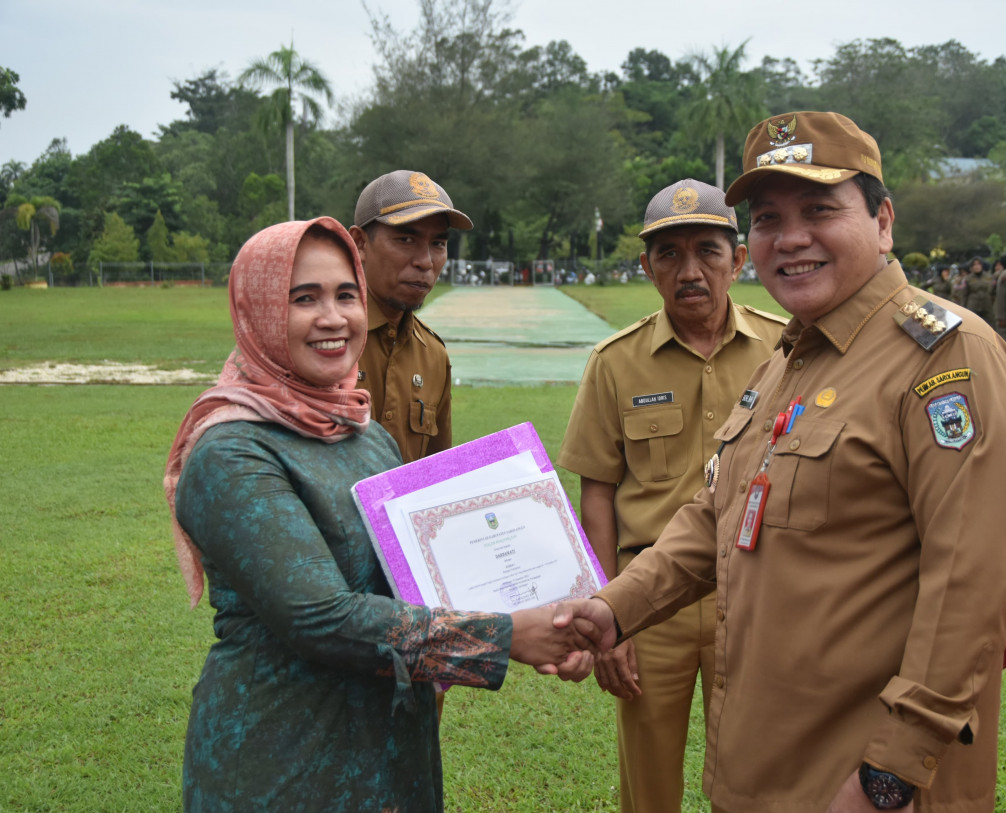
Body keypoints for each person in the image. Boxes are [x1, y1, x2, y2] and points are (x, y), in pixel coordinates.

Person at [564, 111, 1006, 812]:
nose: (790, 238)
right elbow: (714, 516)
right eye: (767, 217)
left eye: (819, 209)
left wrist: (890, 775)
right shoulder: (791, 356)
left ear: (883, 221)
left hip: (861, 781)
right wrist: (611, 610)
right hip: (766, 770)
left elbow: (973, 587)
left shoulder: (946, 357)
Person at [164, 218, 594, 812]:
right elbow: (320, 617)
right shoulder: (230, 451)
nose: (333, 317)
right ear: (257, 309)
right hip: (283, 757)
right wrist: (505, 636)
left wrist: (547, 604)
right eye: (303, 298)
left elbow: (421, 579)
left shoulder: (367, 436)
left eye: (346, 294)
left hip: (392, 750)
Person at [558, 179, 787, 813]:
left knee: (753, 777)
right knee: (649, 782)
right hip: (649, 602)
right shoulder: (616, 362)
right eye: (669, 254)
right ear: (647, 267)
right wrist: (614, 615)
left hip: (753, 599)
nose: (690, 271)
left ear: (738, 260)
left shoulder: (787, 349)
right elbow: (597, 496)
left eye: (708, 251)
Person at [349, 169, 469, 464]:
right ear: (360, 243)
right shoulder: (325, 338)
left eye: (438, 244)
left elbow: (436, 474)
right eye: (405, 239)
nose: (425, 262)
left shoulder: (433, 355)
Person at [961, 254, 994, 325]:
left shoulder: (989, 277)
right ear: (971, 267)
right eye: (974, 265)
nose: (977, 266)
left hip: (987, 306)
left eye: (979, 264)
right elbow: (964, 295)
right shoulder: (968, 278)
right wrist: (963, 309)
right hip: (973, 306)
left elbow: (993, 292)